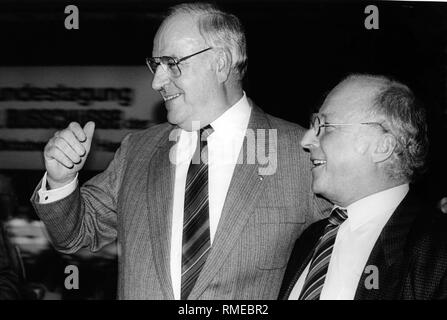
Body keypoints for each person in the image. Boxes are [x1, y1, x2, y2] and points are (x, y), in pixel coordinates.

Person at [30, 3, 328, 300]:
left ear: (221, 63)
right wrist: (61, 180)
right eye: (155, 65)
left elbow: (357, 238)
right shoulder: (137, 151)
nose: (157, 81)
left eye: (171, 63)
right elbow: (74, 235)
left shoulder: (299, 152)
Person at [279, 74, 447, 300]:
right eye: (313, 126)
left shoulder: (437, 250)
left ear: (382, 146)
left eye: (325, 126)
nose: (306, 141)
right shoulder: (309, 239)